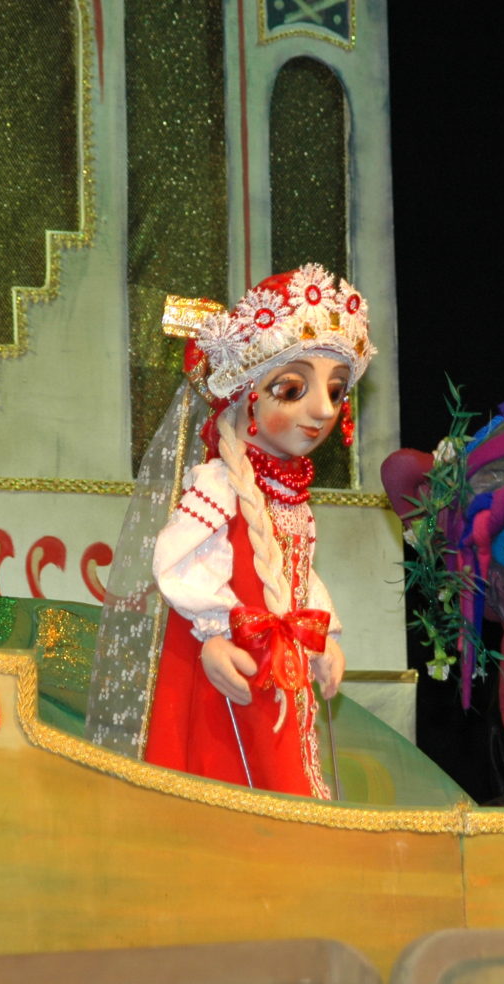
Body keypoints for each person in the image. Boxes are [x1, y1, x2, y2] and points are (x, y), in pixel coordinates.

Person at [86, 264, 375, 798]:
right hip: (237, 671)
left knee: (287, 783)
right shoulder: (219, 484)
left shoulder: (287, 494)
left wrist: (323, 639)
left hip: (279, 669)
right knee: (235, 782)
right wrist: (214, 634)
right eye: (293, 388)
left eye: (336, 392)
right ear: (245, 398)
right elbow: (177, 563)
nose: (322, 409)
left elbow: (295, 575)